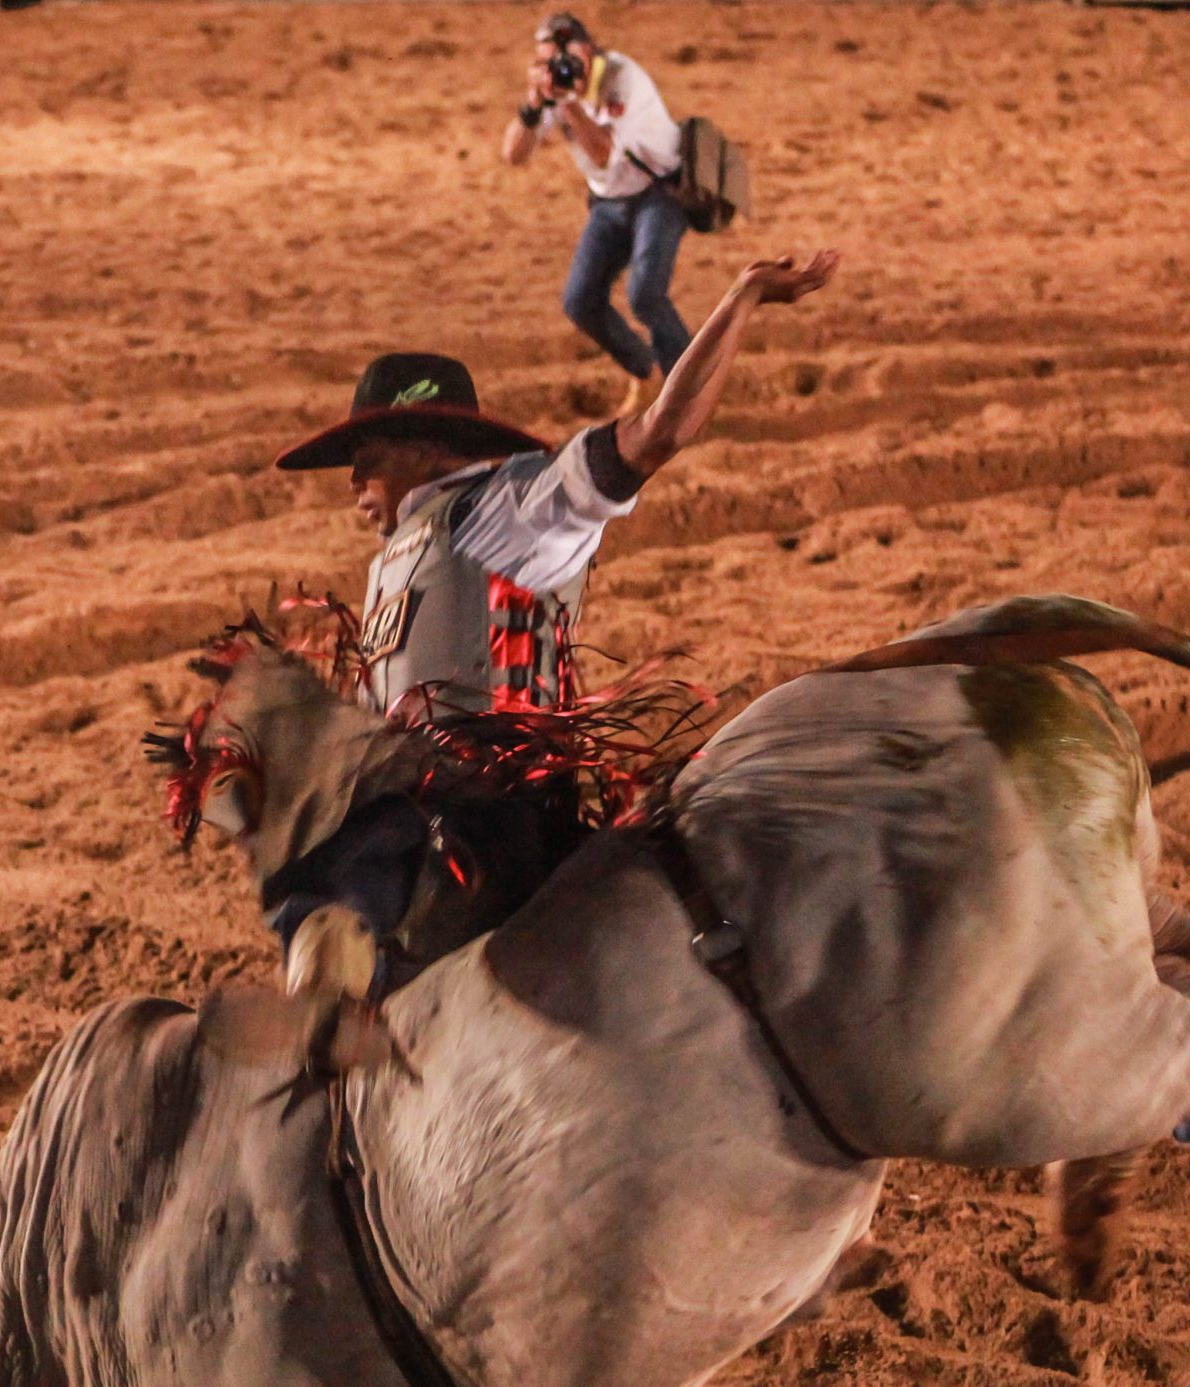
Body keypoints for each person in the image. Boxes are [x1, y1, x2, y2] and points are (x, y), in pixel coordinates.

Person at [263, 248, 837, 994]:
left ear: (425, 447)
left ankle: (336, 997)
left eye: (364, 458)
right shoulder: (424, 542)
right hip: (499, 819)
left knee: (318, 858)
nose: (352, 485)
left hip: (480, 825)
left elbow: (656, 434)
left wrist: (742, 299)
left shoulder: (501, 513)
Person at [501, 11, 693, 414]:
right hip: (608, 203)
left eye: (563, 60)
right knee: (580, 300)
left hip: (660, 194)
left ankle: (688, 394)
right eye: (546, 63)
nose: (559, 70)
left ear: (587, 51)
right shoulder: (556, 90)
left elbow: (604, 155)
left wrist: (569, 104)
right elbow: (513, 155)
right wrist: (533, 103)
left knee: (645, 294)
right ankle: (645, 373)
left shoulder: (623, 79)